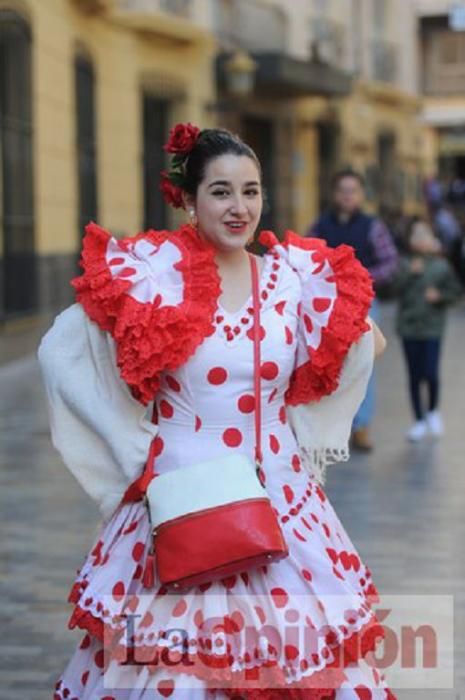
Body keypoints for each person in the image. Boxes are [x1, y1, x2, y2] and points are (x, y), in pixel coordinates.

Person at [38, 125, 396, 699]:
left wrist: (302, 427)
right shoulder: (154, 275)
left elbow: (366, 342)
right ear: (189, 197)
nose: (240, 207)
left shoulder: (291, 277)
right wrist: (131, 448)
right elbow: (61, 351)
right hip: (183, 502)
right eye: (222, 192)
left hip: (281, 500)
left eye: (251, 191)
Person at [308, 169, 399, 452]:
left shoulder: (373, 226)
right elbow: (306, 255)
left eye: (353, 191)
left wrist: (362, 277)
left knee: (363, 364)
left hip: (363, 304)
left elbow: (390, 261)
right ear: (334, 194)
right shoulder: (321, 225)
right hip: (328, 304)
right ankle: (329, 427)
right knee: (327, 366)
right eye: (342, 190)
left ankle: (360, 426)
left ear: (360, 194)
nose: (347, 196)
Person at [392, 219, 462, 442]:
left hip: (432, 328)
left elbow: (456, 291)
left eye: (425, 236)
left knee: (430, 373)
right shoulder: (404, 264)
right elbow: (392, 289)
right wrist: (409, 274)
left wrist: (440, 297)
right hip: (409, 327)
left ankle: (432, 411)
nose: (421, 240)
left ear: (433, 240)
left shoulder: (442, 267)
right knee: (414, 375)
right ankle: (419, 419)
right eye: (417, 236)